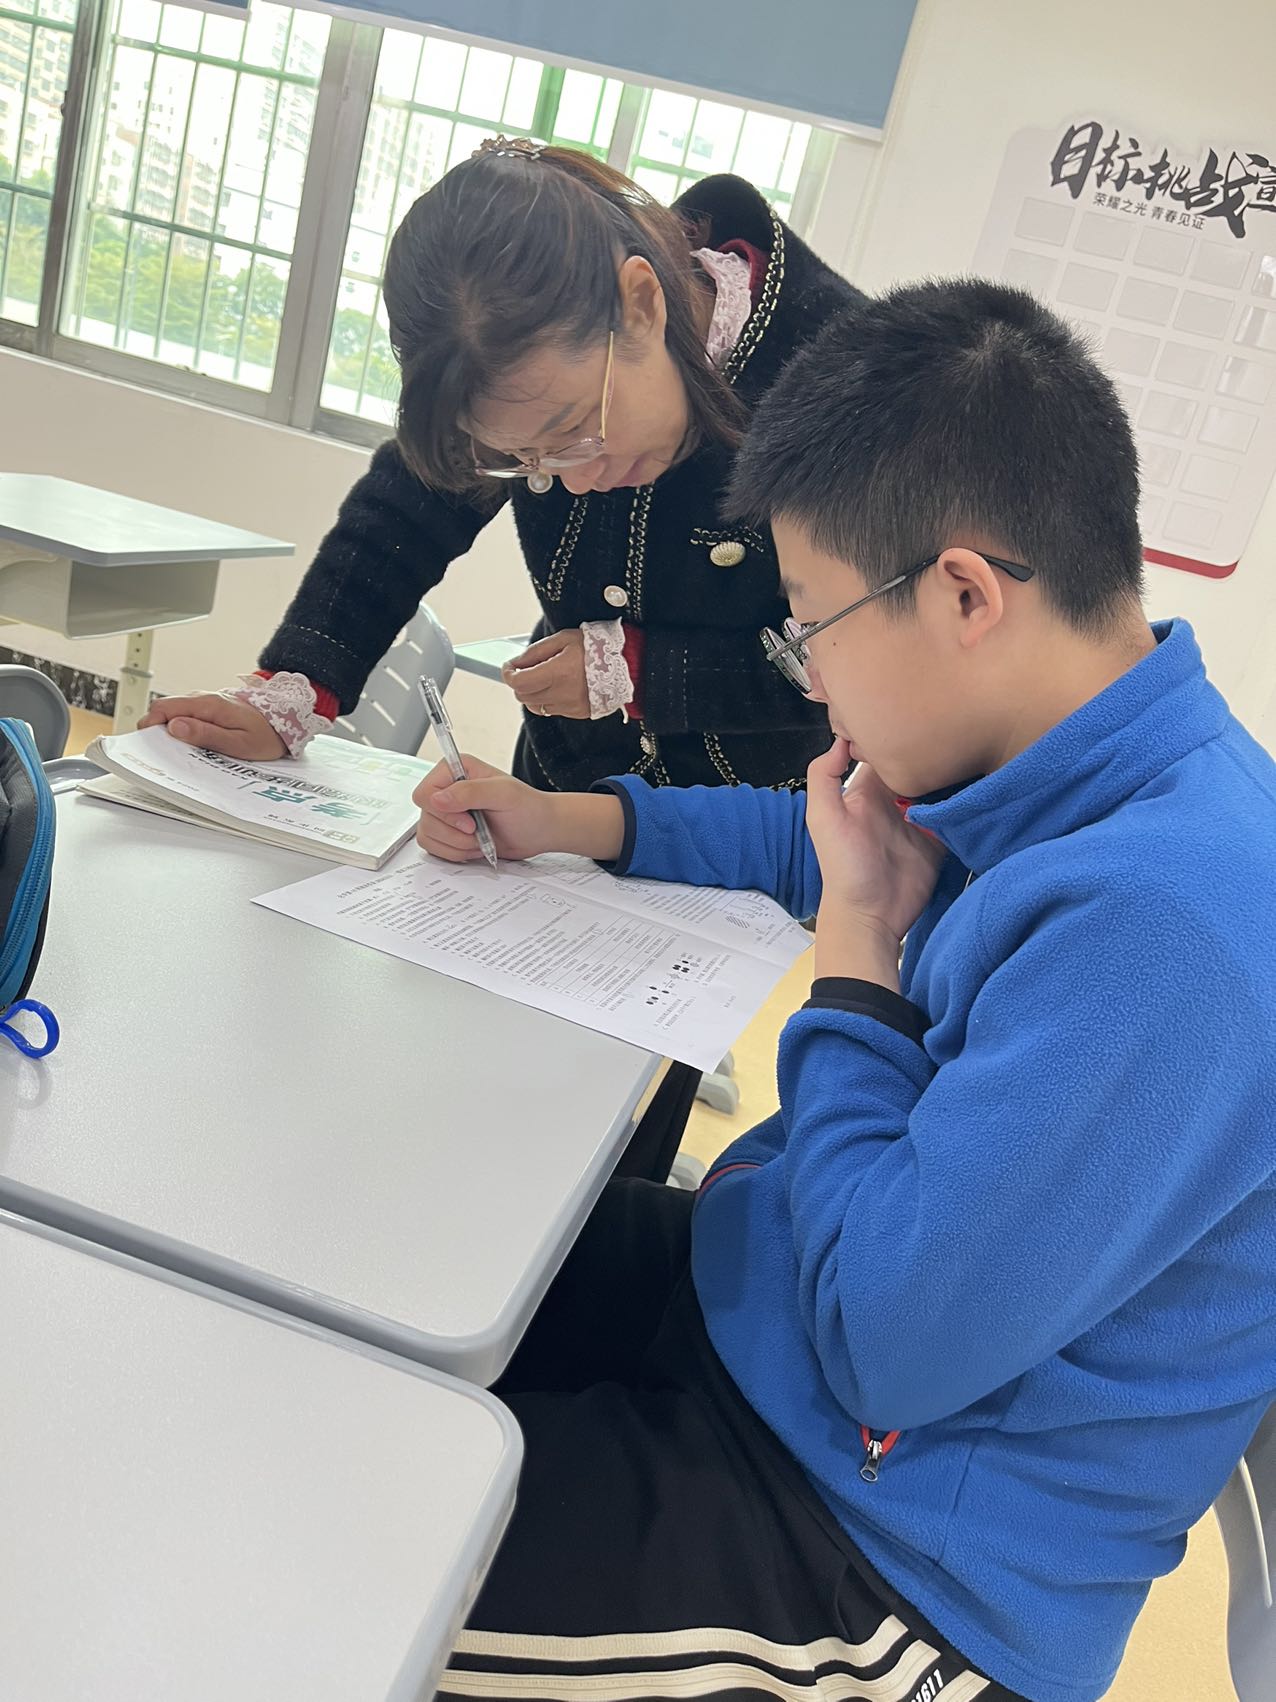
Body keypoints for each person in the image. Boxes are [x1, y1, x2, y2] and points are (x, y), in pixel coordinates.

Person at [412, 279, 1276, 1702]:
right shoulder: (1069, 757)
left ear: (963, 595)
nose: (812, 683)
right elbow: (825, 847)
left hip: (888, 1562)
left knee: (324, 1545)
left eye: (810, 623)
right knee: (415, 1263)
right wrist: (582, 819)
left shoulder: (1175, 922)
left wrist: (858, 963)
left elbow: (890, 1344)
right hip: (774, 1321)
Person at [139, 140, 862, 795]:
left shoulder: (852, 387)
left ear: (641, 304)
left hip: (760, 828)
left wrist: (646, 672)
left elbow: (864, 657)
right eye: (523, 461)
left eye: (575, 430)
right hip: (563, 798)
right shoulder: (523, 371)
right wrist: (293, 691)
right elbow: (407, 513)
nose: (572, 479)